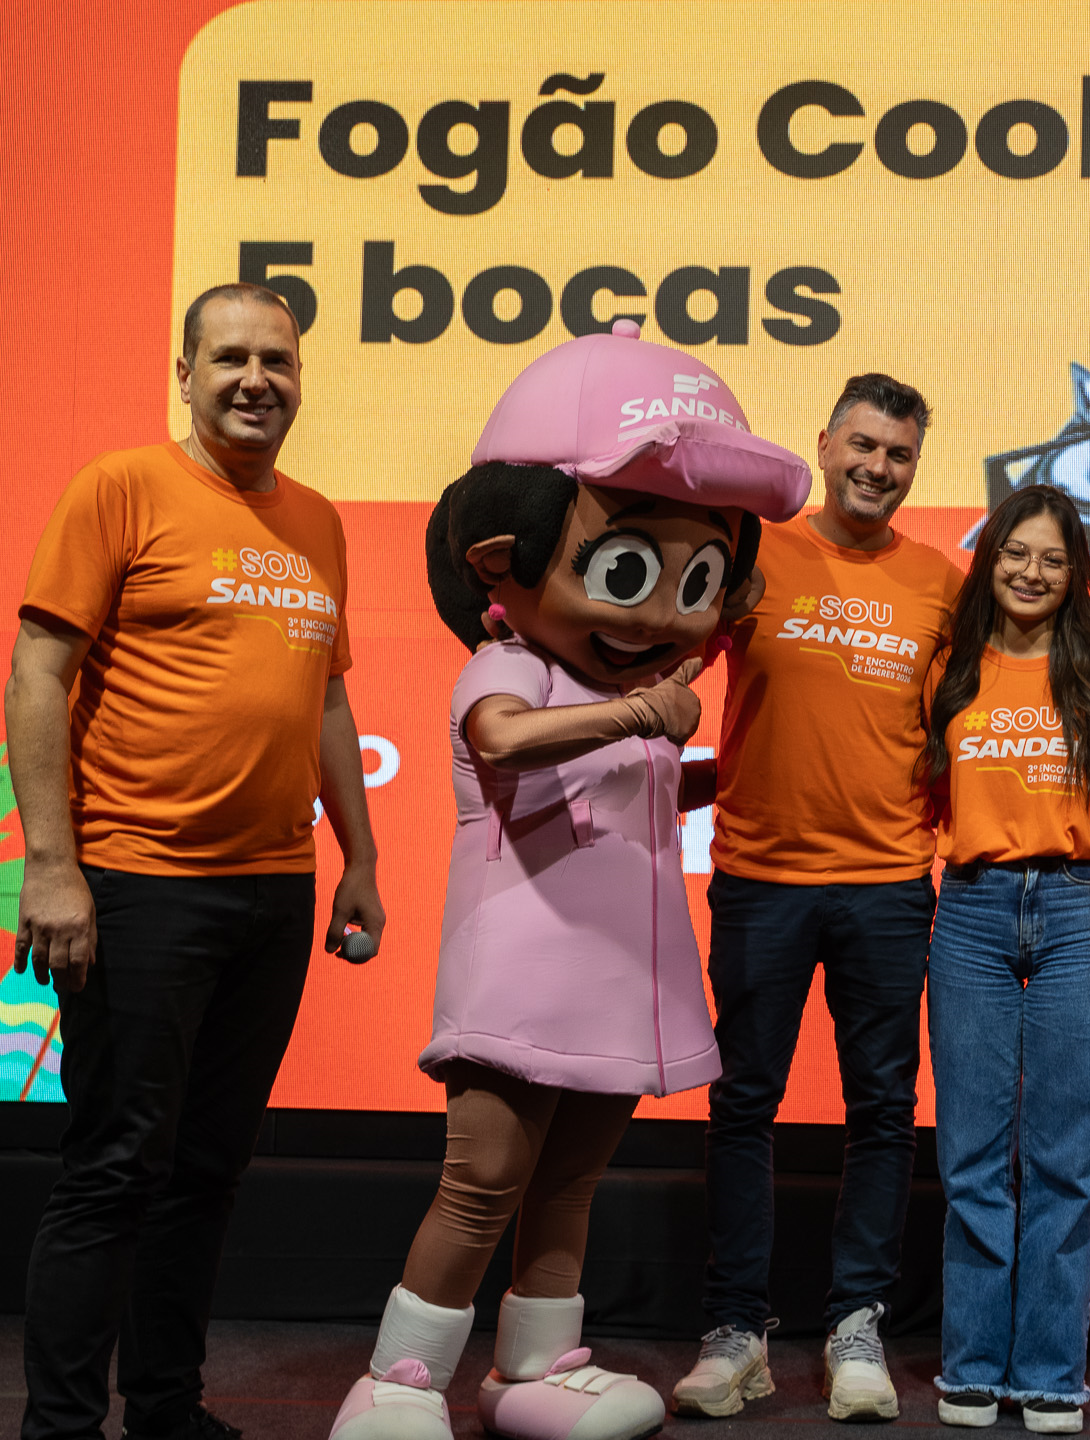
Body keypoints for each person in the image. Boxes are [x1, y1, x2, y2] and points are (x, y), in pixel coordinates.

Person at [325, 323, 811, 1440]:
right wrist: (642, 712)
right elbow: (501, 738)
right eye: (627, 569)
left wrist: (726, 777)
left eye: (697, 579)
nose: (661, 613)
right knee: (483, 1179)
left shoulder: (617, 697)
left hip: (618, 975)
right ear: (504, 555)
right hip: (520, 976)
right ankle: (398, 1382)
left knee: (571, 1182)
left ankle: (532, 1368)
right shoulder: (511, 664)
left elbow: (633, 785)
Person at [9, 282, 385, 1440]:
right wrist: (52, 866)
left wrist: (360, 858)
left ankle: (167, 1410)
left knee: (210, 1169)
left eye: (278, 359)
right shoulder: (120, 486)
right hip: (137, 882)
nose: (256, 380)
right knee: (115, 1166)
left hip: (273, 891)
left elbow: (326, 698)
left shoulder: (318, 520)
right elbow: (38, 675)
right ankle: (61, 1427)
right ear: (184, 374)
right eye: (230, 358)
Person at [670, 374, 963, 1422]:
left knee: (882, 1110)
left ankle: (855, 1326)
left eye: (899, 454)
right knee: (743, 1103)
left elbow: (961, 731)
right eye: (864, 446)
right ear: (826, 444)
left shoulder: (941, 583)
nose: (879, 468)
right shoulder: (754, 554)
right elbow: (668, 669)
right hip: (761, 880)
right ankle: (735, 1331)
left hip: (889, 883)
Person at [919, 485, 1090, 1435]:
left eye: (1051, 558)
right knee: (970, 1154)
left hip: (1081, 906)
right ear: (989, 559)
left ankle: (1048, 1374)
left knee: (1066, 1158)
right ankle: (971, 1367)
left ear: (1074, 573)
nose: (1031, 573)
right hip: (971, 908)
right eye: (1015, 553)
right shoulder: (950, 668)